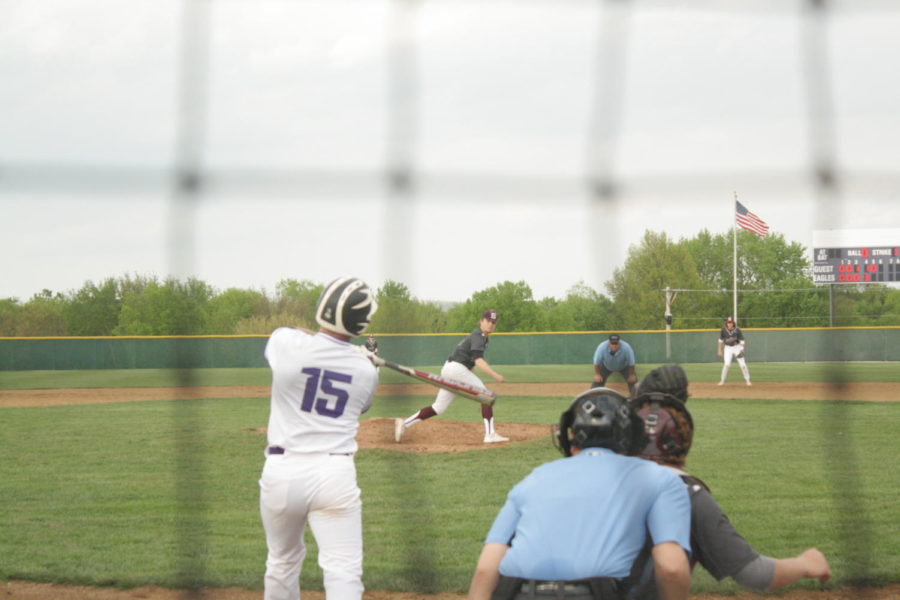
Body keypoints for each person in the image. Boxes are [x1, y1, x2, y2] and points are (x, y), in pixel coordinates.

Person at [625, 365, 832, 600]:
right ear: (683, 437)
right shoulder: (687, 494)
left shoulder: (595, 480)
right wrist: (806, 563)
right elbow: (755, 573)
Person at [467, 387, 692, 600]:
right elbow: (671, 568)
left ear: (570, 440)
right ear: (632, 440)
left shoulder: (535, 478)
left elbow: (486, 569)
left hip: (517, 592)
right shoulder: (658, 479)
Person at [259, 276, 379, 600]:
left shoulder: (284, 342)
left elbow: (304, 341)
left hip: (282, 471)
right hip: (333, 474)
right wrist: (360, 357)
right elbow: (363, 404)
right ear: (361, 323)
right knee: (343, 571)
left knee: (281, 561)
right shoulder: (367, 370)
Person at [395, 309, 508, 444]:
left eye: (493, 322)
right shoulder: (479, 335)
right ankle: (490, 435)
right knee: (486, 396)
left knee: (439, 407)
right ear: (481, 321)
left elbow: (470, 360)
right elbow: (478, 360)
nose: (490, 324)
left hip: (450, 369)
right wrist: (495, 375)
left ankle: (404, 424)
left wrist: (470, 372)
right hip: (456, 370)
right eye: (488, 321)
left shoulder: (480, 336)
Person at [717, 316, 751, 386]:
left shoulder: (737, 330)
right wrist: (719, 350)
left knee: (743, 365)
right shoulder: (723, 330)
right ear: (726, 323)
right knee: (727, 365)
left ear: (733, 323)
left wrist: (741, 350)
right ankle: (722, 380)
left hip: (737, 347)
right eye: (728, 322)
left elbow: (742, 341)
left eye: (731, 322)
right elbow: (720, 341)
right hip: (727, 348)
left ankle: (747, 380)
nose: (729, 324)